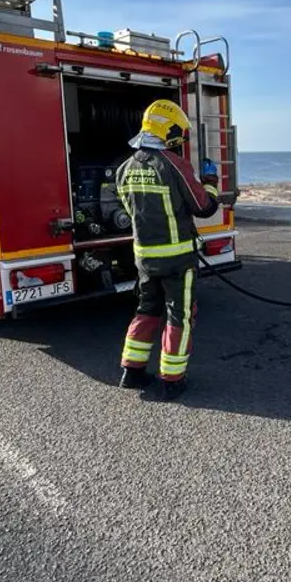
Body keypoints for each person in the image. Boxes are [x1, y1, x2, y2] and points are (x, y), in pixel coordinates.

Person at [115, 99, 220, 400]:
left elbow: (133, 211)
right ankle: (172, 380)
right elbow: (203, 207)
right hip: (177, 259)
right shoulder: (174, 164)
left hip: (145, 258)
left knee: (147, 309)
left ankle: (132, 372)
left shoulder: (125, 168)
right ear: (167, 130)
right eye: (178, 133)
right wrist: (210, 182)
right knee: (180, 317)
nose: (181, 140)